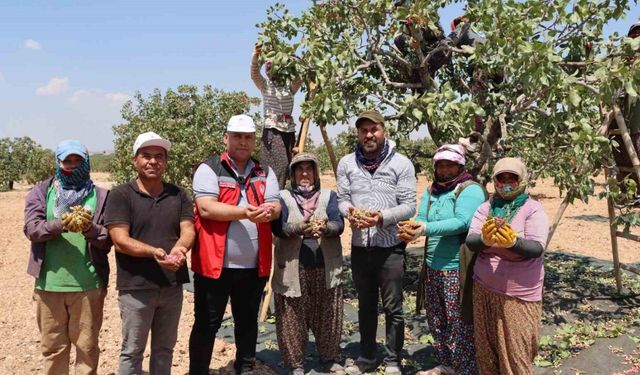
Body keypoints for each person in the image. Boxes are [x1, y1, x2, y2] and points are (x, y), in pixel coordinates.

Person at [189, 114, 282, 375]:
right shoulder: (209, 169)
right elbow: (206, 208)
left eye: (248, 137)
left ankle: (245, 369)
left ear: (254, 141)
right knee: (207, 324)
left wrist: (270, 211)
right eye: (237, 136)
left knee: (247, 324)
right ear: (226, 138)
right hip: (214, 266)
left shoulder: (265, 171)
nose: (243, 142)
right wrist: (245, 213)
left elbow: (275, 205)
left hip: (253, 267)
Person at [104, 131, 195, 375]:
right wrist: (154, 252)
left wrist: (180, 248)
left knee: (164, 349)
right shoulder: (120, 195)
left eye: (159, 156)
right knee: (132, 350)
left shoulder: (179, 195)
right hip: (136, 287)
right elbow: (120, 240)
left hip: (171, 286)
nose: (153, 161)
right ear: (135, 160)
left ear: (165, 161)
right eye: (146, 155)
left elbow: (188, 229)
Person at [336, 110, 417, 375]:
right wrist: (351, 212)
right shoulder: (347, 163)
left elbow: (409, 206)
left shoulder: (401, 164)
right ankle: (368, 357)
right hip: (361, 247)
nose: (369, 135)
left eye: (374, 129)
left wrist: (382, 218)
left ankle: (393, 359)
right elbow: (343, 198)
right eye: (364, 131)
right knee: (366, 304)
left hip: (390, 247)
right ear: (358, 134)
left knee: (393, 307)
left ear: (384, 131)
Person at [24, 140, 111, 375]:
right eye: (67, 161)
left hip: (88, 284)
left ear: (86, 163)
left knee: (87, 348)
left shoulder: (101, 196)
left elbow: (108, 239)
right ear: (58, 163)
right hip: (49, 284)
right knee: (53, 349)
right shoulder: (42, 192)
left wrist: (89, 228)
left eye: (77, 161)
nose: (72, 166)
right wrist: (61, 224)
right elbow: (32, 229)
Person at [398, 145, 485, 375]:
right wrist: (412, 227)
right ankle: (447, 363)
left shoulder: (470, 190)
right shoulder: (432, 190)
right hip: (432, 267)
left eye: (450, 165)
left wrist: (424, 229)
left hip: (457, 268)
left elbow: (462, 222)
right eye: (441, 165)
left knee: (460, 324)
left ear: (460, 165)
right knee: (437, 320)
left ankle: (465, 369)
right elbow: (422, 218)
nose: (445, 170)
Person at [465, 157, 549, 375]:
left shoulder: (533, 209)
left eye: (513, 177)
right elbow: (471, 241)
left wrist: (513, 243)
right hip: (484, 288)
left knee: (516, 353)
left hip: (519, 295)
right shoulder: (486, 208)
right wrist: (485, 239)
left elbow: (537, 247)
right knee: (487, 349)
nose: (506, 182)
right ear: (494, 180)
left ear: (522, 180)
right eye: (501, 178)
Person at [271, 153, 345, 375]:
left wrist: (326, 228)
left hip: (325, 265)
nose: (304, 173)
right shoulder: (282, 197)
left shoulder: (329, 196)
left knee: (328, 313)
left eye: (309, 169)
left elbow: (338, 224)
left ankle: (329, 358)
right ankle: (296, 364)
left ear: (315, 173)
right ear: (293, 174)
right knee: (291, 316)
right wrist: (297, 228)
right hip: (293, 266)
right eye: (299, 169)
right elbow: (277, 228)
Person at [251, 43, 303, 189]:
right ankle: (273, 195)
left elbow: (299, 78)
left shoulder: (289, 87)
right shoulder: (265, 85)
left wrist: (290, 59)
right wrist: (256, 56)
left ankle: (284, 196)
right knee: (277, 166)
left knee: (290, 165)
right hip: (273, 131)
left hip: (289, 131)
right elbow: (254, 73)